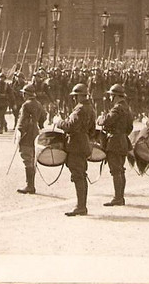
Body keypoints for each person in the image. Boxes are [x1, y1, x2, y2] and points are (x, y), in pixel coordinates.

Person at [56, 82, 96, 216]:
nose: (74, 98)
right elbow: (92, 129)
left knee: (78, 175)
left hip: (76, 145)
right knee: (81, 175)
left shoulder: (80, 109)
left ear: (79, 96)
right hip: (83, 143)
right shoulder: (91, 108)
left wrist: (58, 122)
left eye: (75, 96)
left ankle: (81, 206)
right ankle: (81, 205)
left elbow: (70, 126)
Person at [98, 83, 133, 206]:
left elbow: (107, 121)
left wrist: (101, 119)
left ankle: (118, 198)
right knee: (120, 170)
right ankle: (120, 197)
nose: (110, 98)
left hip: (114, 142)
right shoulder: (127, 108)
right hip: (123, 140)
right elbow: (130, 127)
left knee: (116, 170)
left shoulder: (117, 108)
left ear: (116, 96)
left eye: (111, 95)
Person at [15, 83, 45, 194]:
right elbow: (43, 117)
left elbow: (22, 121)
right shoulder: (38, 104)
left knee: (27, 158)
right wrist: (39, 125)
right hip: (35, 133)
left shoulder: (26, 105)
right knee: (32, 158)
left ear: (26, 94)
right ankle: (31, 185)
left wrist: (19, 133)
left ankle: (30, 185)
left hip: (26, 134)